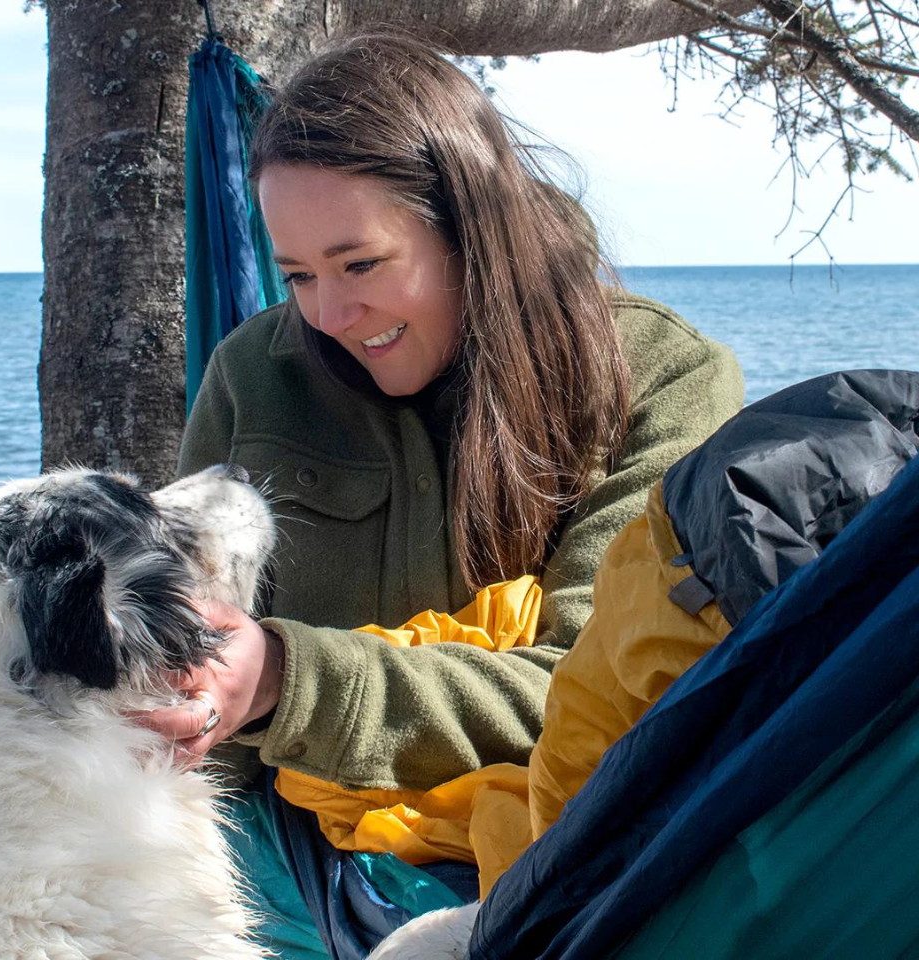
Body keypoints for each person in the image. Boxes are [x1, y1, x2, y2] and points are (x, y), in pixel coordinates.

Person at [143, 31, 743, 955]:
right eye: (298, 274)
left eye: (360, 264)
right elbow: (188, 672)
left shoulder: (660, 380)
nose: (326, 318)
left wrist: (288, 679)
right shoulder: (251, 377)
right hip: (279, 878)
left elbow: (600, 695)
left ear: (471, 226)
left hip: (567, 878)